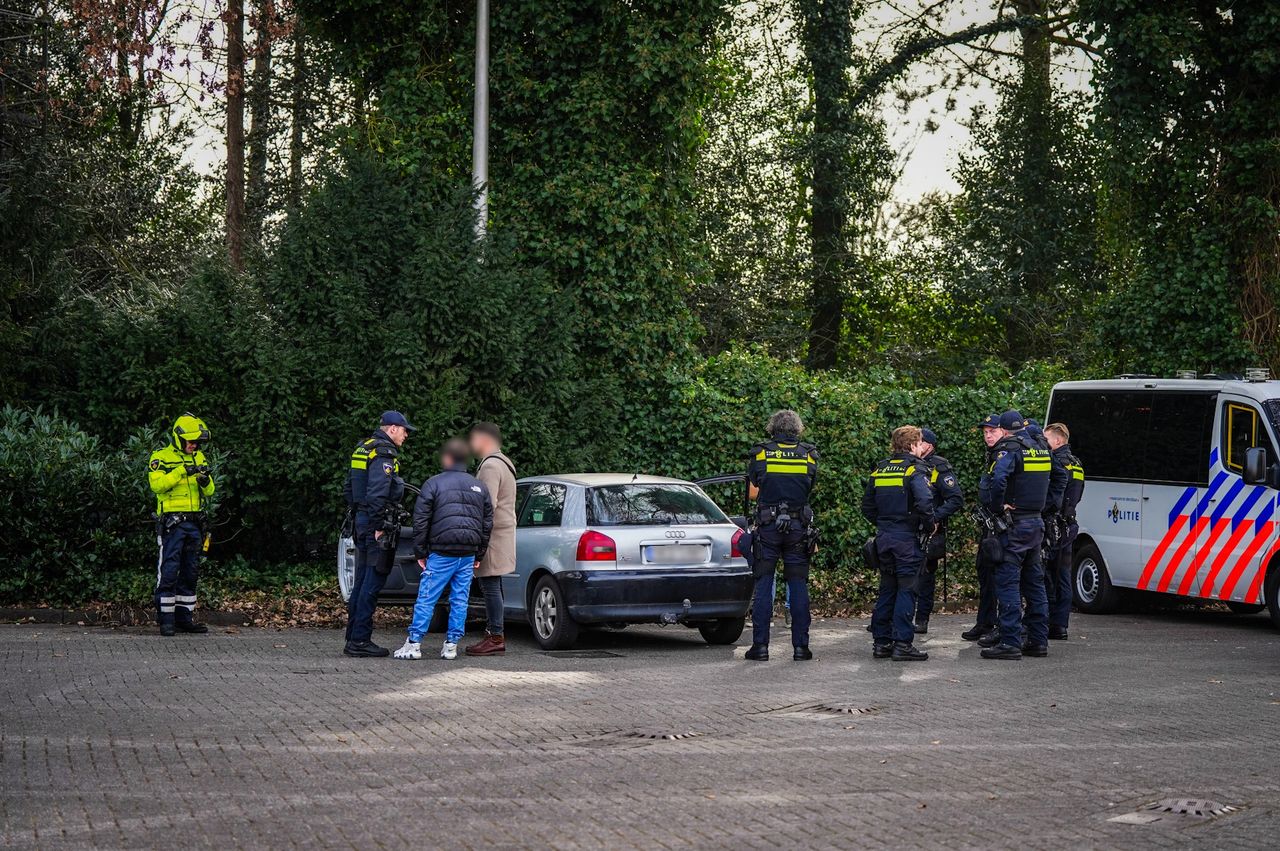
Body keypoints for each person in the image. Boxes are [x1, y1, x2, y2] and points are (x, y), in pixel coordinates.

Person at [394, 439, 493, 661]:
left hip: (441, 551)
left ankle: (414, 643)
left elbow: (421, 521)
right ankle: (451, 646)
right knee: (460, 599)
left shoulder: (433, 484)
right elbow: (487, 522)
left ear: (447, 458)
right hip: (467, 553)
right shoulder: (479, 486)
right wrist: (479, 553)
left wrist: (420, 552)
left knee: (427, 597)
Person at [743, 410, 818, 662]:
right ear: (797, 429)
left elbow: (754, 482)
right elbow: (811, 484)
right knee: (798, 585)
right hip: (798, 527)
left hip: (768, 526)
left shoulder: (761, 453)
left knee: (764, 583)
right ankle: (801, 648)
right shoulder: (808, 454)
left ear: (772, 428)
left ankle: (760, 648)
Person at [980, 409, 1052, 660]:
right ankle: (1038, 641)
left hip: (1015, 526)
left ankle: (1010, 641)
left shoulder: (1010, 448)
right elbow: (1054, 481)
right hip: (1036, 523)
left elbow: (999, 479)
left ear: (1005, 429)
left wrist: (998, 506)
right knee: (1035, 584)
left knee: (1008, 582)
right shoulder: (1041, 448)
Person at [862, 426, 935, 662]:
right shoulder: (915, 469)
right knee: (907, 589)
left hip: (884, 537)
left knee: (887, 588)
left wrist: (885, 523)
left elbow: (867, 507)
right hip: (906, 539)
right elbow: (924, 502)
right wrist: (928, 524)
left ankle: (881, 643)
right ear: (913, 445)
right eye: (919, 443)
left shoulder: (880, 469)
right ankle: (903, 644)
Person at [344, 411, 413, 658]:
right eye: (405, 430)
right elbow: (377, 493)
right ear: (393, 428)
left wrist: (360, 517)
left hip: (360, 521)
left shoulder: (363, 448)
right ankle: (360, 641)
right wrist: (379, 526)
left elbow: (349, 489)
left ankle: (353, 637)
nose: (406, 436)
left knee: (361, 581)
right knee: (372, 583)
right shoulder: (384, 452)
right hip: (374, 524)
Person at [148, 414, 215, 637]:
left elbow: (210, 491)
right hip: (172, 524)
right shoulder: (161, 457)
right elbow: (157, 485)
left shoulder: (200, 457)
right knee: (168, 570)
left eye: (197, 442)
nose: (194, 445)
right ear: (178, 438)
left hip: (195, 523)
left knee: (190, 571)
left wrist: (206, 482)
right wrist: (179, 472)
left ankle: (184, 619)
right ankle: (166, 620)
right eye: (191, 441)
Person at [465, 422, 517, 656]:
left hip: (493, 535)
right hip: (502, 532)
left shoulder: (490, 466)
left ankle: (495, 636)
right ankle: (495, 633)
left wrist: (475, 533)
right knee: (493, 584)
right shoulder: (503, 462)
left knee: (489, 584)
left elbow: (486, 505)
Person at [913, 428, 964, 635]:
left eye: (920, 441)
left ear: (929, 445)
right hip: (908, 529)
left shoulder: (939, 466)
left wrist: (934, 518)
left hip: (930, 531)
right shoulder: (909, 463)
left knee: (925, 578)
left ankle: (921, 619)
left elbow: (955, 499)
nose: (916, 443)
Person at [962, 414, 1003, 643]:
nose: (988, 435)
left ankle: (997, 625)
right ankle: (985, 621)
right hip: (989, 525)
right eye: (985, 432)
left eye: (992, 431)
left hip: (1001, 526)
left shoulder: (1006, 454)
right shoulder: (993, 454)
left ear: (1003, 431)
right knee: (984, 572)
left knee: (997, 576)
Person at [1044, 422, 1085, 640]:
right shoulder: (1076, 463)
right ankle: (1061, 625)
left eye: (1047, 439)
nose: (1044, 443)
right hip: (1069, 524)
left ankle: (1052, 622)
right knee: (1064, 576)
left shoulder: (1056, 462)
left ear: (1058, 441)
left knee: (1050, 575)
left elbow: (1053, 496)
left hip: (1055, 525)